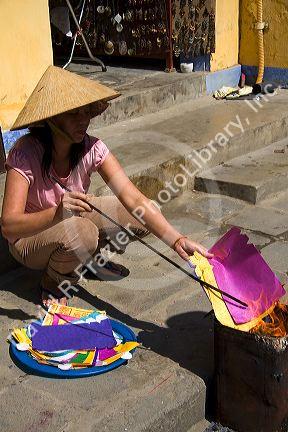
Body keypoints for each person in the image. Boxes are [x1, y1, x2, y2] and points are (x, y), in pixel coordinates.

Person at [1, 66, 213, 310]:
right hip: (30, 238)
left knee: (142, 216)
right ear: (52, 119)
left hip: (73, 219)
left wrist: (177, 240)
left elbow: (133, 198)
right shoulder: (25, 152)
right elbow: (9, 225)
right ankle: (54, 280)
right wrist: (56, 213)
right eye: (73, 114)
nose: (83, 121)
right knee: (83, 233)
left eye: (86, 112)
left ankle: (91, 260)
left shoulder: (92, 148)